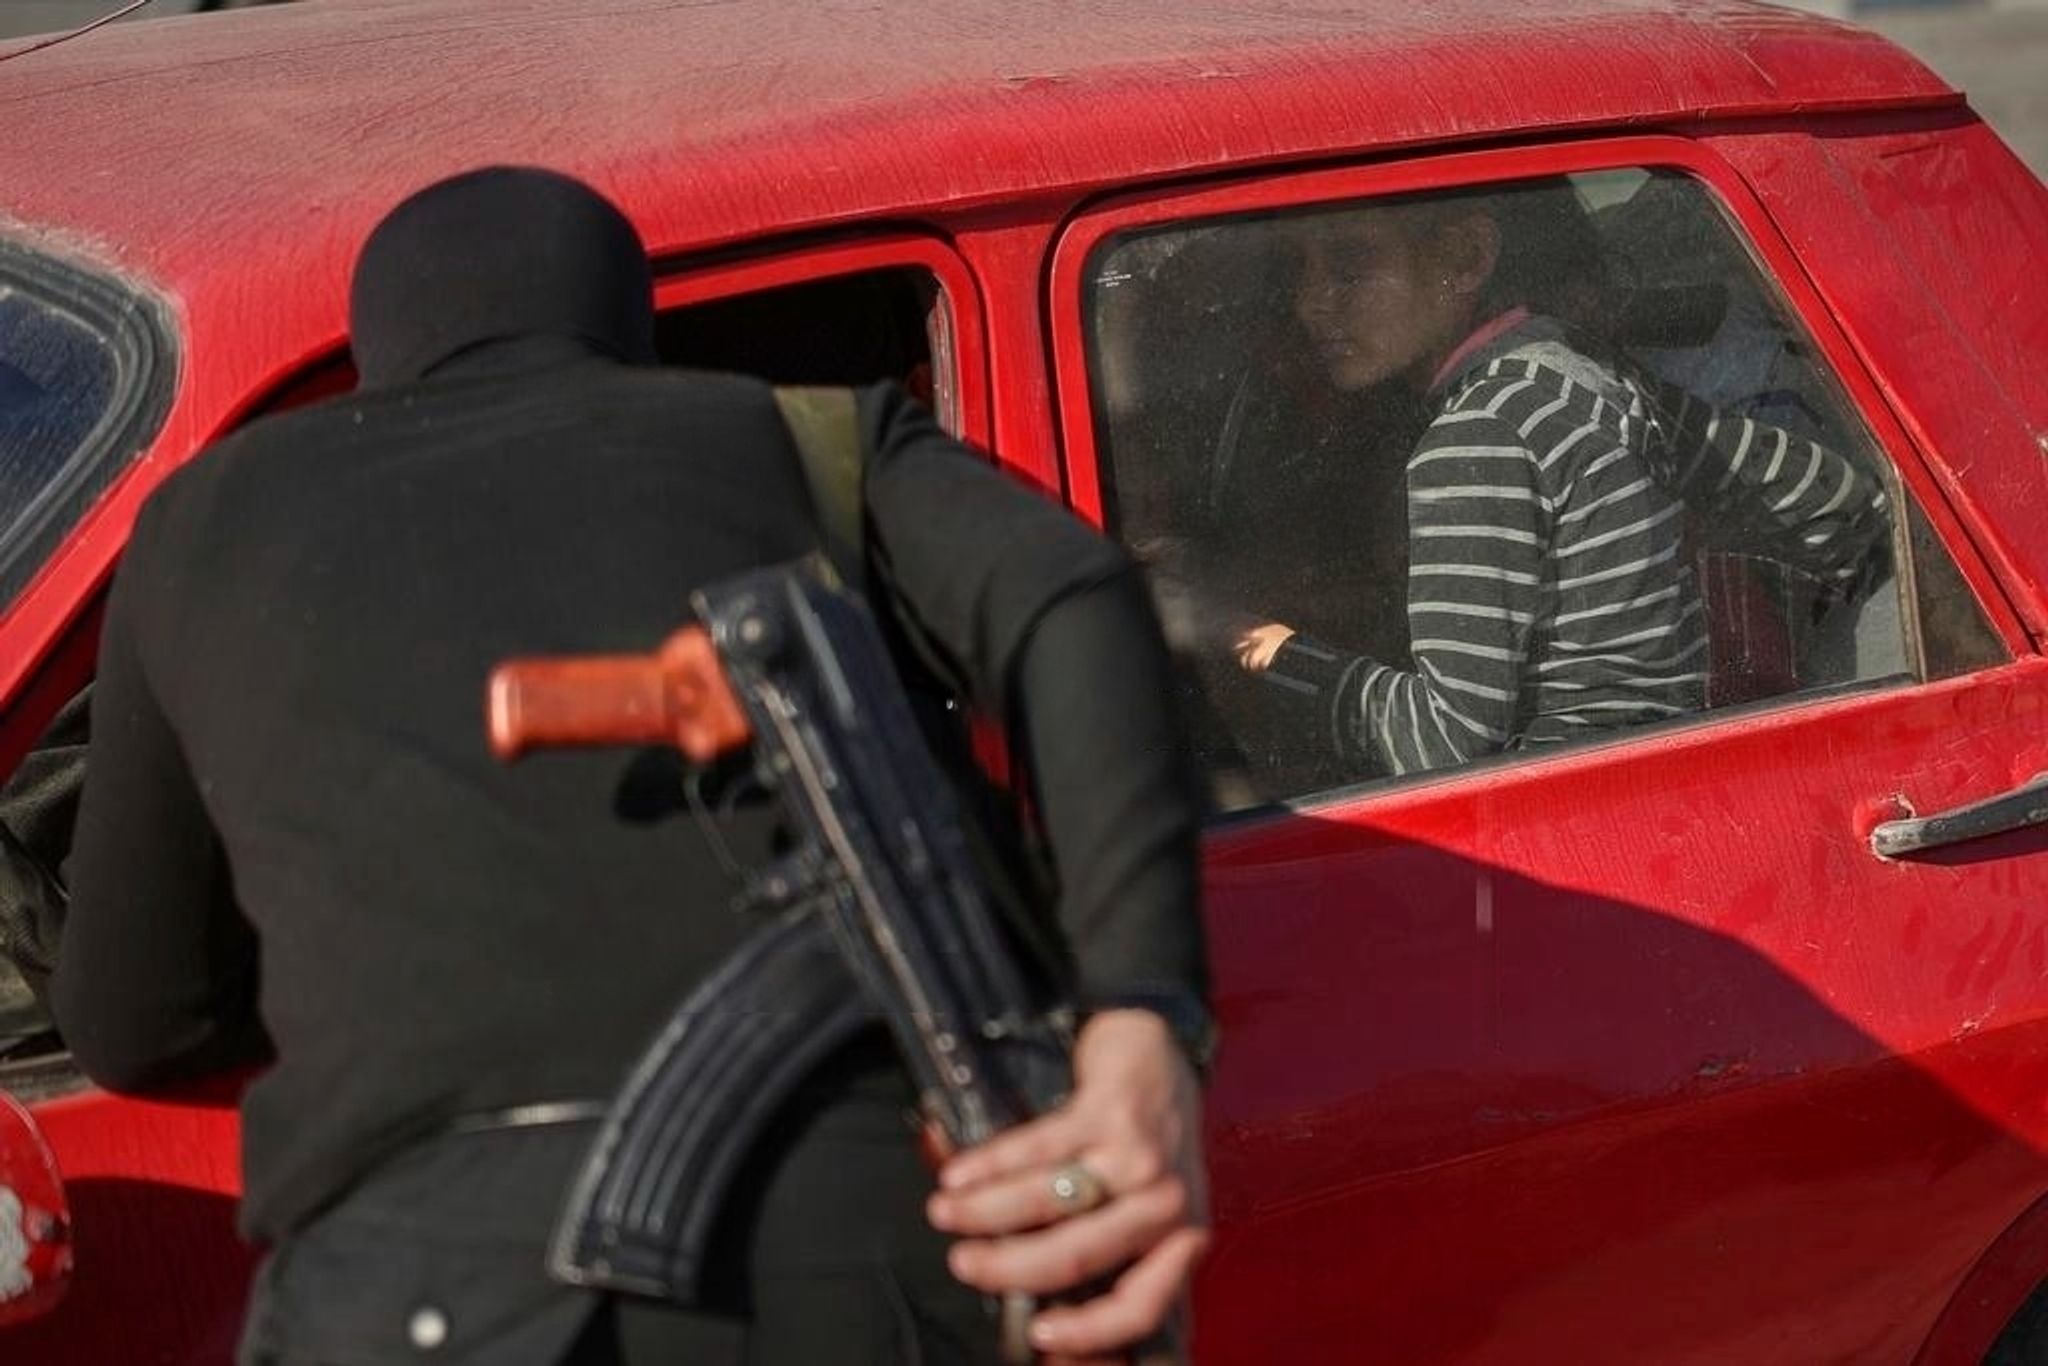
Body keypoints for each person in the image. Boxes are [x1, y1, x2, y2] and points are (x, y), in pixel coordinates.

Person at [53, 166, 1211, 1365]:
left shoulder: (197, 527)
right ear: (631, 333)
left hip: (415, 1287)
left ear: (372, 358)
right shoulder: (805, 439)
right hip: (850, 1248)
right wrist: (1140, 1016)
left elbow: (132, 1021)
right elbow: (1074, 594)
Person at [1207, 183, 1888, 777]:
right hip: (1677, 773)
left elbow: (1442, 744)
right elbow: (1837, 505)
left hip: (1580, 812)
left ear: (1466, 258)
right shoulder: (1575, 364)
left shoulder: (1475, 438)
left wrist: (1256, 645)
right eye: (1299, 270)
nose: (1309, 304)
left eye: (1349, 265)